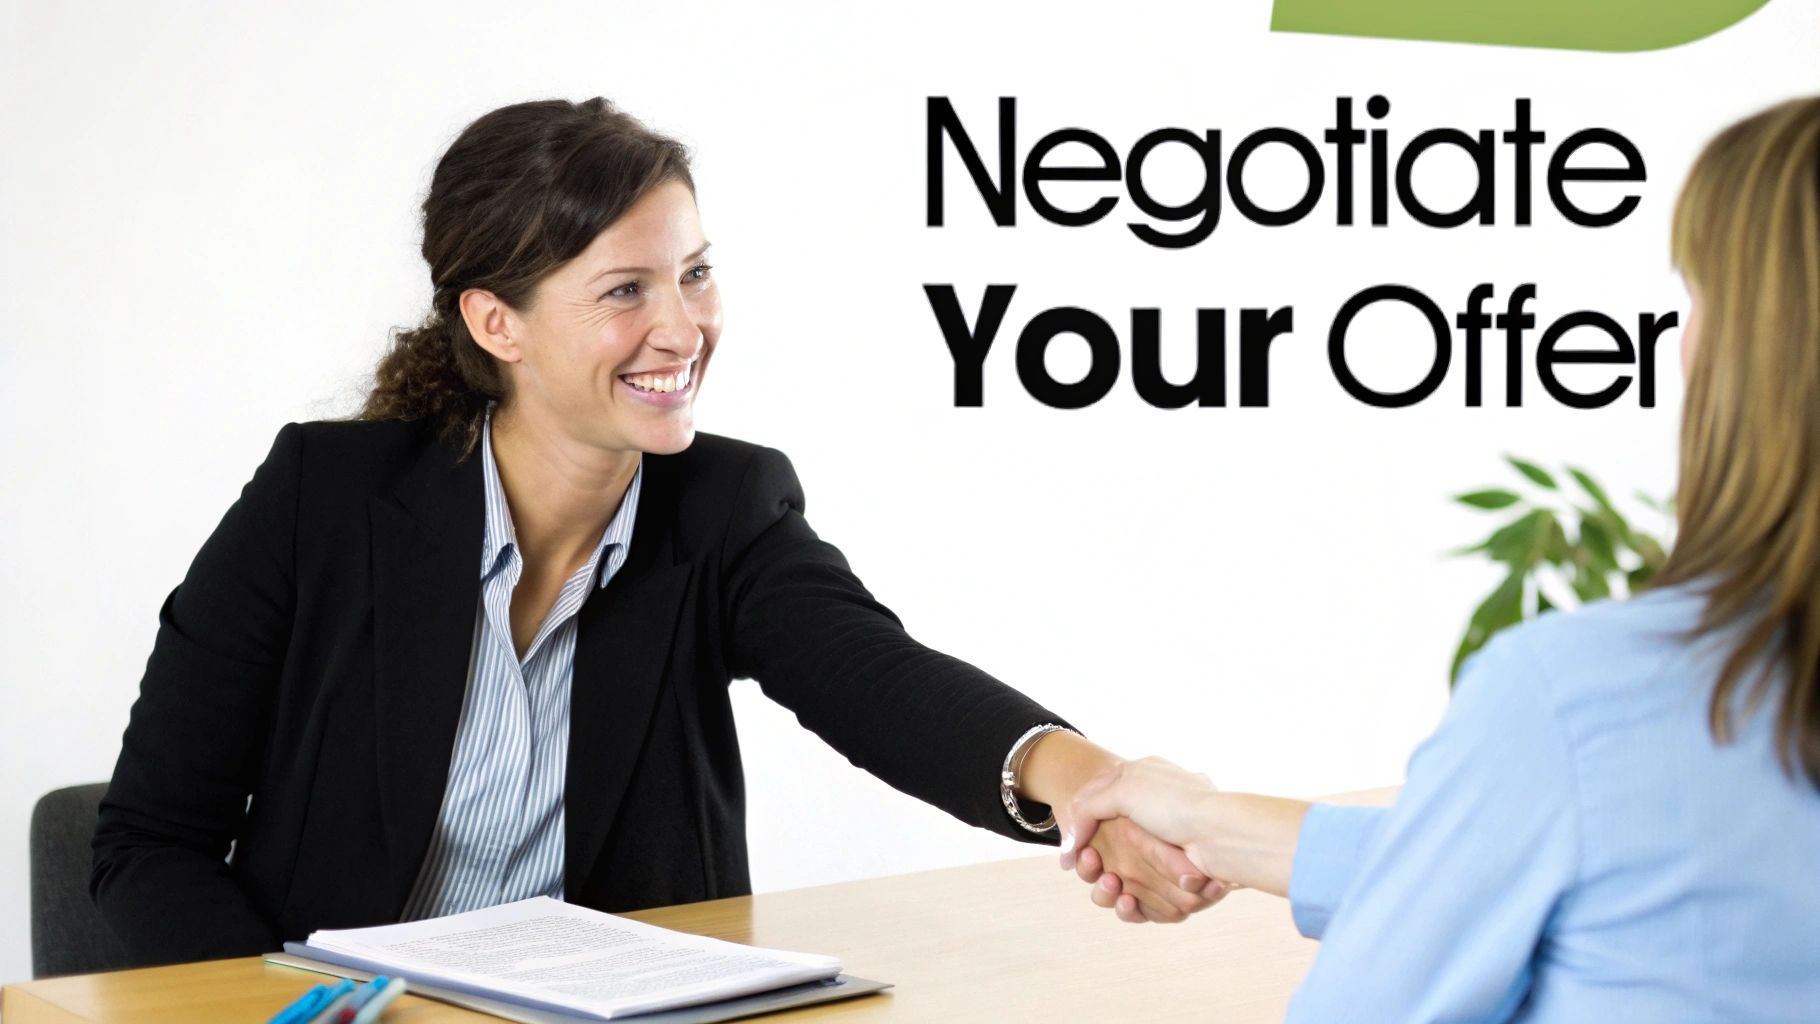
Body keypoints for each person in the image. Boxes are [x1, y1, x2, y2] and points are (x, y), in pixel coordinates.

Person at [89, 97, 1222, 966]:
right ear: (498, 323)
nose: (682, 328)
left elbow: (876, 678)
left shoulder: (724, 511)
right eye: (625, 290)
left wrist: (1087, 782)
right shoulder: (322, 500)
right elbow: (149, 841)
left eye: (694, 274)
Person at [1059, 95, 1820, 1021]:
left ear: (1751, 353)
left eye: (1697, 295)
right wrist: (1213, 825)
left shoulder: (1582, 699)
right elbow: (1583, 871)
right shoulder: (1604, 750)